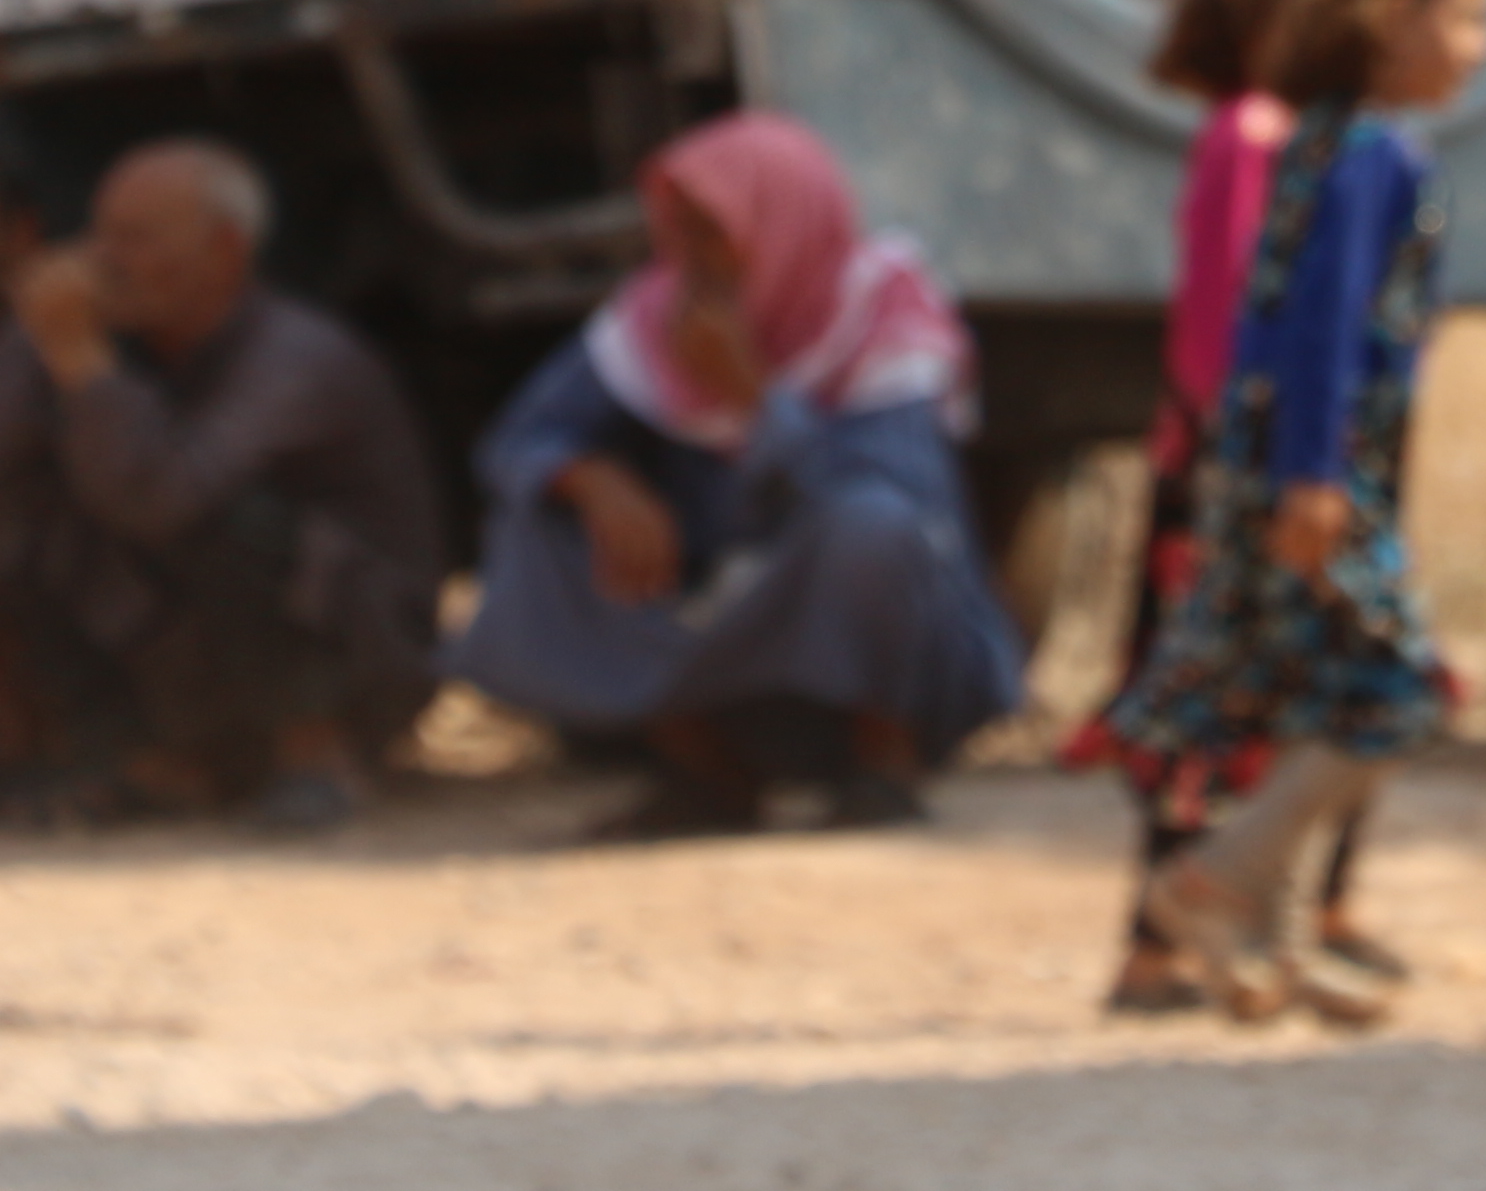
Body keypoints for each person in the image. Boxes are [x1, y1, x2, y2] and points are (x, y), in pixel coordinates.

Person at [1114, 0, 1486, 1029]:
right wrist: (1317, 474)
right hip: (1318, 477)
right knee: (1394, 691)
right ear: (1392, 12)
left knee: (1306, 691)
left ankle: (1271, 942)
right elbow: (1322, 319)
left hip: (1271, 465)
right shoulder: (1371, 156)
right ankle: (1218, 881)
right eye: (1468, 17)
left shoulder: (1317, 144)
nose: (1481, 47)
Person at [453, 111, 1030, 836]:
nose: (690, 259)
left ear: (780, 224)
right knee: (536, 517)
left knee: (873, 525)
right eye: (678, 231)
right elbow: (518, 441)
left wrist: (757, 401)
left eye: (712, 233)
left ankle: (883, 761)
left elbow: (905, 500)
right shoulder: (650, 317)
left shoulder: (885, 309)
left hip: (863, 638)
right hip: (713, 616)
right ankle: (707, 775)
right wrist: (596, 480)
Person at [1079, 0, 1380, 1017]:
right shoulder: (1254, 141)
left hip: (1252, 466)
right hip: (1237, 476)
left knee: (1277, 698)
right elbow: (1225, 319)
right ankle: (1162, 941)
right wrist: (1260, 464)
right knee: (1225, 705)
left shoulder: (1281, 141)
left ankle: (1270, 928)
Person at [0, 140, 443, 830]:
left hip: (363, 656)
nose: (103, 260)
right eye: (101, 234)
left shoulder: (299, 357)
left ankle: (317, 757)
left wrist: (78, 357)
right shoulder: (133, 340)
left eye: (136, 238)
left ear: (227, 250)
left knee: (224, 518)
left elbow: (161, 499)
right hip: (198, 664)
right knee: (24, 514)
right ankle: (147, 762)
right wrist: (38, 334)